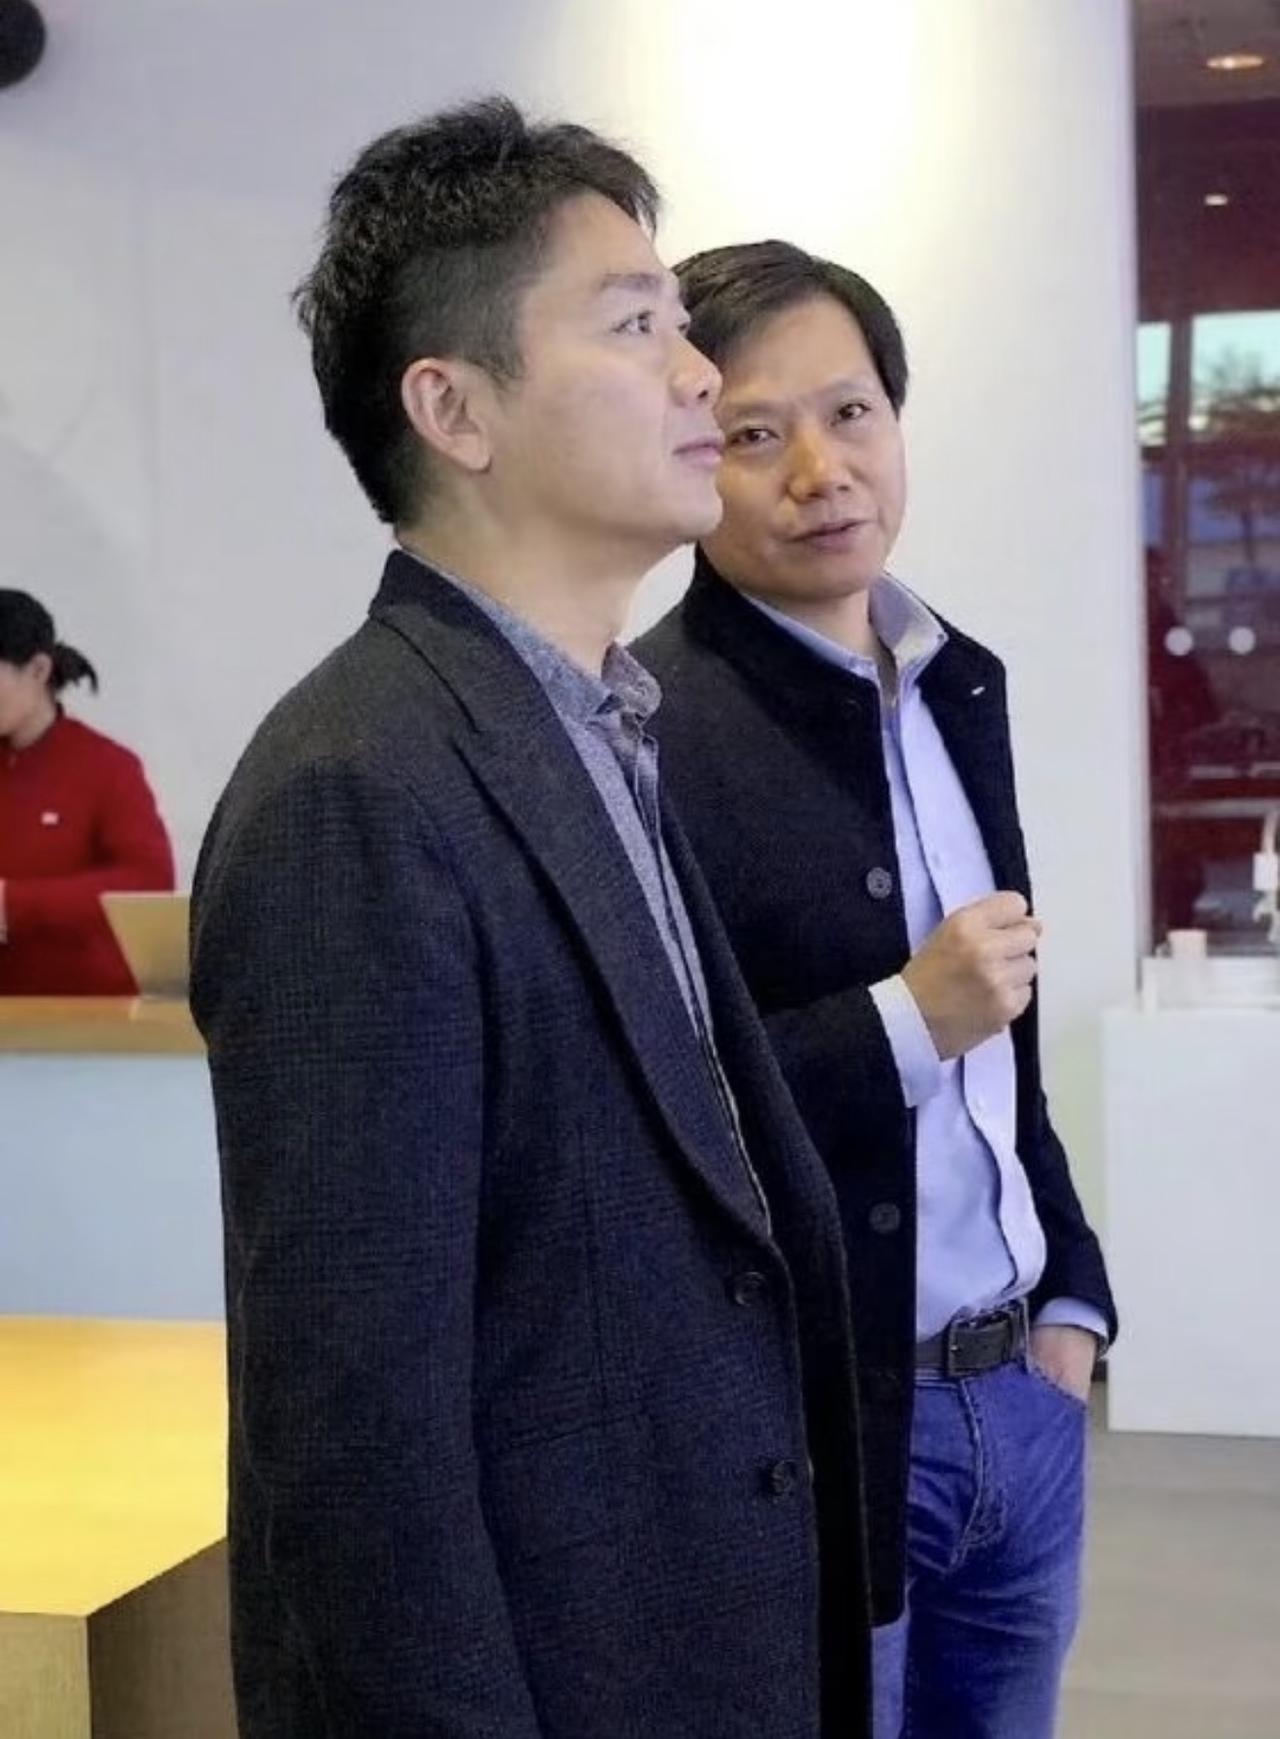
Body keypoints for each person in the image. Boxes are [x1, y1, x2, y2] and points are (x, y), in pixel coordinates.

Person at [190, 105, 870, 1739]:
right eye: (635, 326)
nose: (701, 375)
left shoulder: (599, 727)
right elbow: (355, 1439)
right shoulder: (357, 792)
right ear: (454, 407)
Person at [635, 241, 1118, 1739]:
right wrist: (908, 1017)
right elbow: (653, 1117)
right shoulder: (645, 731)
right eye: (755, 433)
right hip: (823, 1425)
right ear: (689, 452)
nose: (819, 471)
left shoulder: (955, 681)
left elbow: (1004, 1054)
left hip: (1023, 1392)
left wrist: (1073, 1296)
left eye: (851, 413)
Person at [0, 589, 174, 995]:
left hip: (89, 1016)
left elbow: (149, 882)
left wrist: (12, 904)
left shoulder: (107, 767)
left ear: (38, 670)